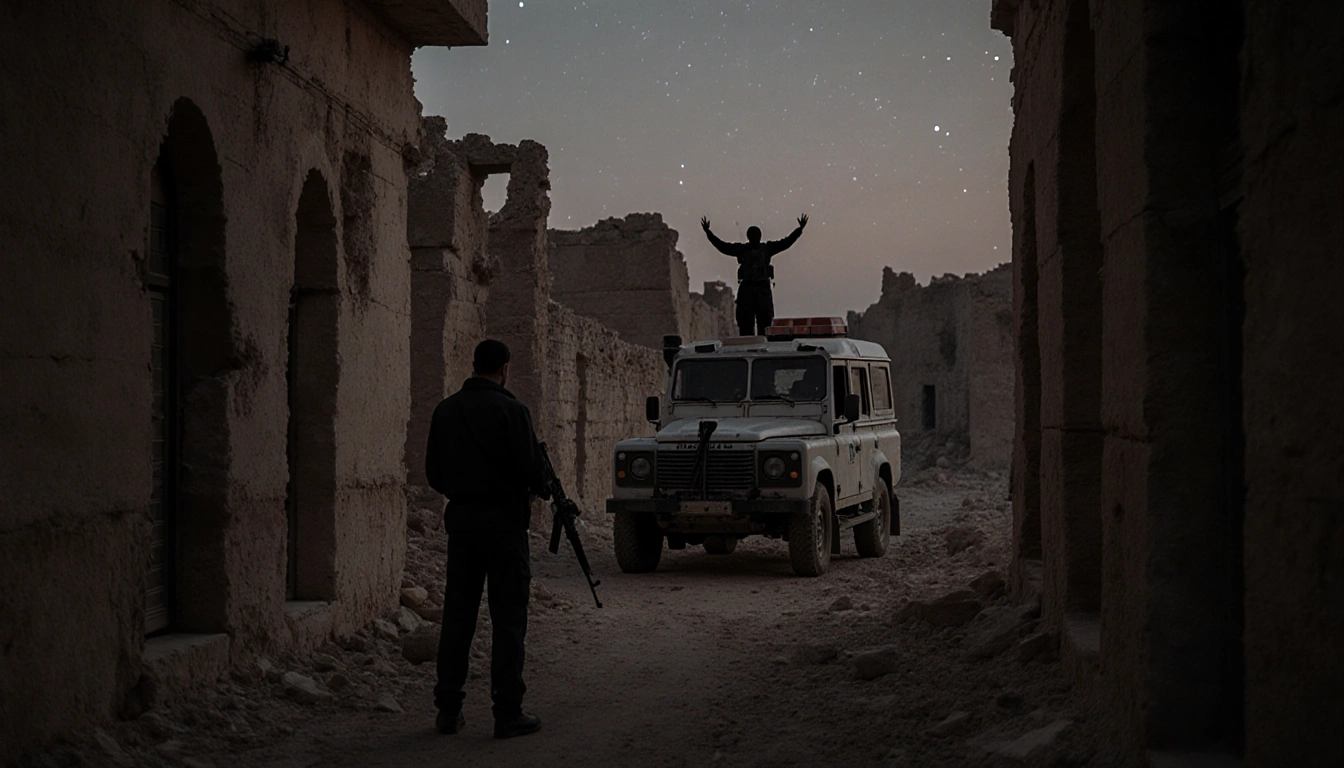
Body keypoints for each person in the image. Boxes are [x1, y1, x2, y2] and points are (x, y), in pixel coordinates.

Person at [424, 339, 547, 739]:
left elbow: (434, 473)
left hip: (463, 526)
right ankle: (507, 711)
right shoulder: (513, 411)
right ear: (505, 369)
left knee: (458, 618)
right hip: (505, 528)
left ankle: (448, 709)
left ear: (474, 365)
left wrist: (465, 492)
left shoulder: (445, 410)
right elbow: (533, 472)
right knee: (508, 621)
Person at [701, 213, 809, 336]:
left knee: (765, 323)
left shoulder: (764, 248)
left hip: (760, 289)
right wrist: (708, 233)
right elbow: (723, 246)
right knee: (746, 323)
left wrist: (799, 230)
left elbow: (786, 242)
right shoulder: (748, 249)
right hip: (749, 289)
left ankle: (763, 344)